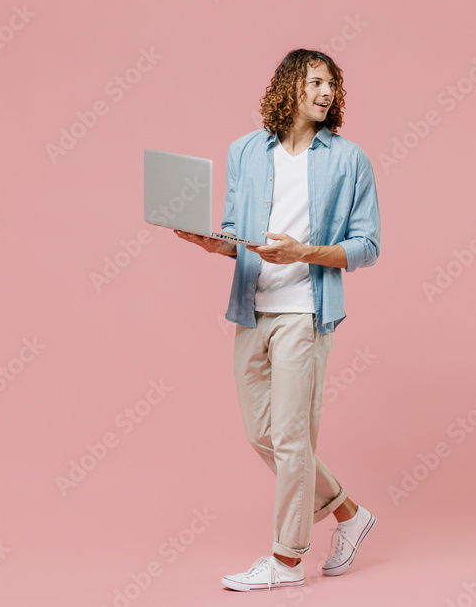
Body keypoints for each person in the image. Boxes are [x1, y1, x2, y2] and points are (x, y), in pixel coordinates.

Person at [174, 49, 381, 591]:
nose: (326, 92)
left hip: (306, 313)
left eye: (332, 84)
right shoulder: (244, 151)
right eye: (316, 82)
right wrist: (209, 242)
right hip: (252, 307)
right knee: (262, 434)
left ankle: (286, 561)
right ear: (290, 85)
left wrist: (303, 252)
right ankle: (349, 513)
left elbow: (366, 247)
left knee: (291, 439)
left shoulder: (348, 159)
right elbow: (236, 232)